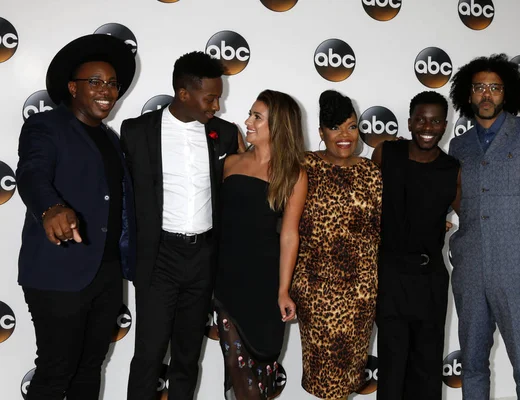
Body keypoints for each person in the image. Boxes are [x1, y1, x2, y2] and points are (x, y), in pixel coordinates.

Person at [16, 34, 136, 399]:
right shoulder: (46, 127)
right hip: (58, 270)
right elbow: (31, 173)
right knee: (56, 369)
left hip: (106, 272)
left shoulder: (111, 139)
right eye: (95, 82)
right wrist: (50, 208)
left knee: (89, 368)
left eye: (112, 84)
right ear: (72, 87)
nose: (106, 90)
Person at [121, 51, 244, 400]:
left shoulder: (225, 134)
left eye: (219, 97)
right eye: (210, 98)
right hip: (159, 258)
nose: (216, 106)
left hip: (203, 258)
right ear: (183, 93)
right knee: (148, 355)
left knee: (188, 357)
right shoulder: (137, 132)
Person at [448, 53, 520, 399]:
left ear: (507, 93)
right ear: (468, 95)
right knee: (471, 364)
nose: (486, 95)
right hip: (469, 272)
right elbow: (460, 200)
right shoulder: (459, 145)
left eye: (495, 88)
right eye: (479, 87)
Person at [213, 89, 307, 399]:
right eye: (250, 114)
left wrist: (283, 290)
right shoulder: (230, 163)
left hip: (264, 284)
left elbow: (289, 234)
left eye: (257, 117)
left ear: (278, 125)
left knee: (260, 374)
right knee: (238, 376)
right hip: (226, 282)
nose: (247, 122)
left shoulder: (292, 174)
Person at [290, 90, 382, 400]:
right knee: (323, 380)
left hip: (360, 293)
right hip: (317, 292)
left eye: (352, 126)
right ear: (321, 132)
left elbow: (385, 227)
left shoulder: (371, 173)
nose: (345, 135)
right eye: (335, 127)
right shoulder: (306, 166)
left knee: (348, 378)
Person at [371, 91, 460, 400]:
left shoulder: (452, 169)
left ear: (445, 125)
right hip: (391, 274)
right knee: (393, 364)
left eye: (435, 121)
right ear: (409, 122)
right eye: (421, 119)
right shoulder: (386, 154)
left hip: (430, 277)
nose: (427, 127)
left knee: (428, 364)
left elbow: (475, 215)